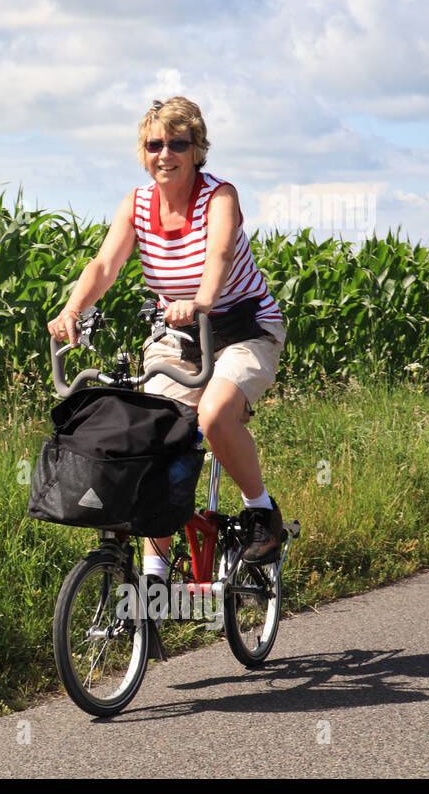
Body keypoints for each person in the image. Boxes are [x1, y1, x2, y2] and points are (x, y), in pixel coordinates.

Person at [47, 96, 287, 568]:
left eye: (179, 143)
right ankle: (155, 583)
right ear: (143, 152)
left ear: (198, 150)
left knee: (215, 416)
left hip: (243, 327)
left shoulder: (218, 196)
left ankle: (262, 514)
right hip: (178, 335)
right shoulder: (137, 204)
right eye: (154, 144)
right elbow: (104, 265)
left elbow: (218, 254)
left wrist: (200, 301)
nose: (166, 154)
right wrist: (74, 308)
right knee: (151, 435)